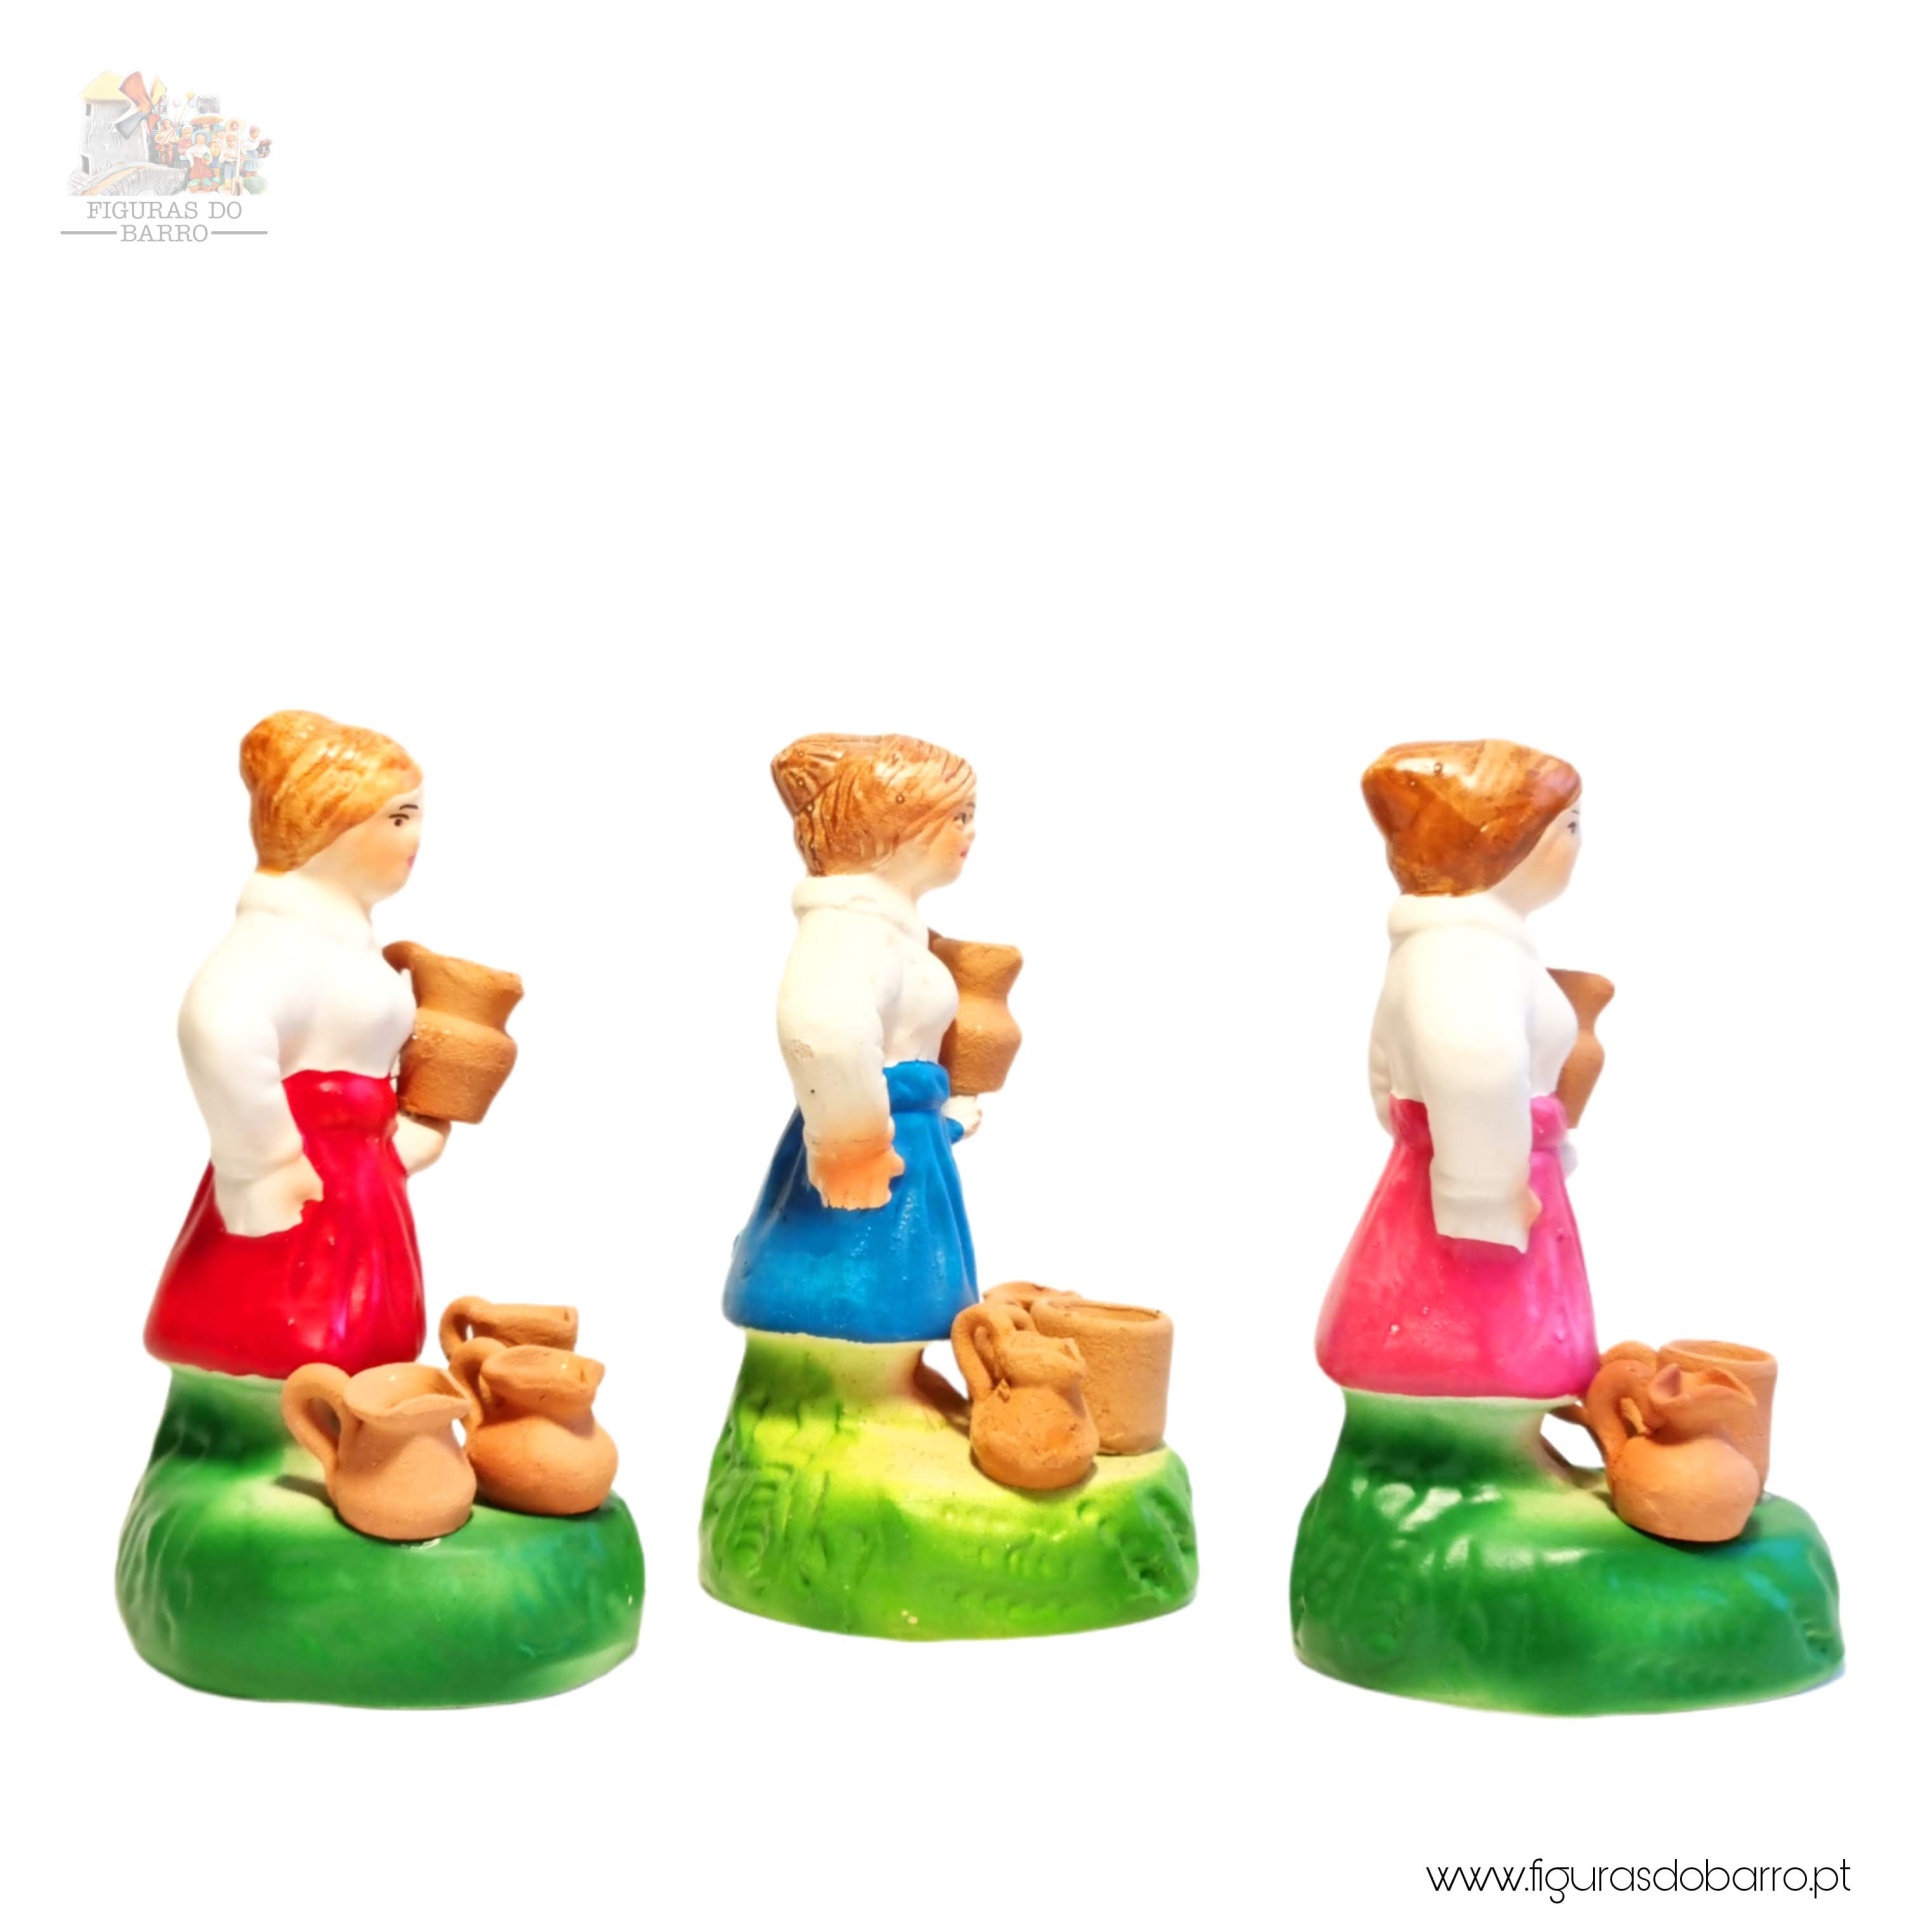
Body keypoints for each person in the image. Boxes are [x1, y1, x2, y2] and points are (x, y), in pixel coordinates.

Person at [144, 711, 449, 1379]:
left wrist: (398, 1132)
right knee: (285, 1330)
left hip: (361, 1172)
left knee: (365, 1336)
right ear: (329, 829)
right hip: (309, 1174)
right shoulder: (280, 942)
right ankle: (270, 1427)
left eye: (416, 816)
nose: (416, 837)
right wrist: (263, 1162)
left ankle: (356, 1426)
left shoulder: (341, 937)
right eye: (397, 819)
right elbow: (220, 1027)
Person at [1314, 739, 1599, 1400]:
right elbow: (1474, 1065)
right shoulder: (1464, 949)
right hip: (1474, 1206)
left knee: (1494, 1346)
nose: (1579, 845)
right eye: (1568, 827)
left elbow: (1387, 1082)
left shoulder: (1474, 945)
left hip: (1484, 1167)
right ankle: (1459, 1442)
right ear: (1505, 843)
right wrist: (1484, 1197)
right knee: (1472, 1344)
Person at [724, 733, 983, 1343]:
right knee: (857, 1289)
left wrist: (941, 1121)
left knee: (902, 1292)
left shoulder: (890, 927)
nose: (970, 832)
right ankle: (841, 1387)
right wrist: (853, 1145)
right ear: (896, 827)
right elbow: (824, 1029)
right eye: (956, 817)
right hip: (868, 1153)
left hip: (906, 1140)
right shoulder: (852, 928)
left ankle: (889, 1380)